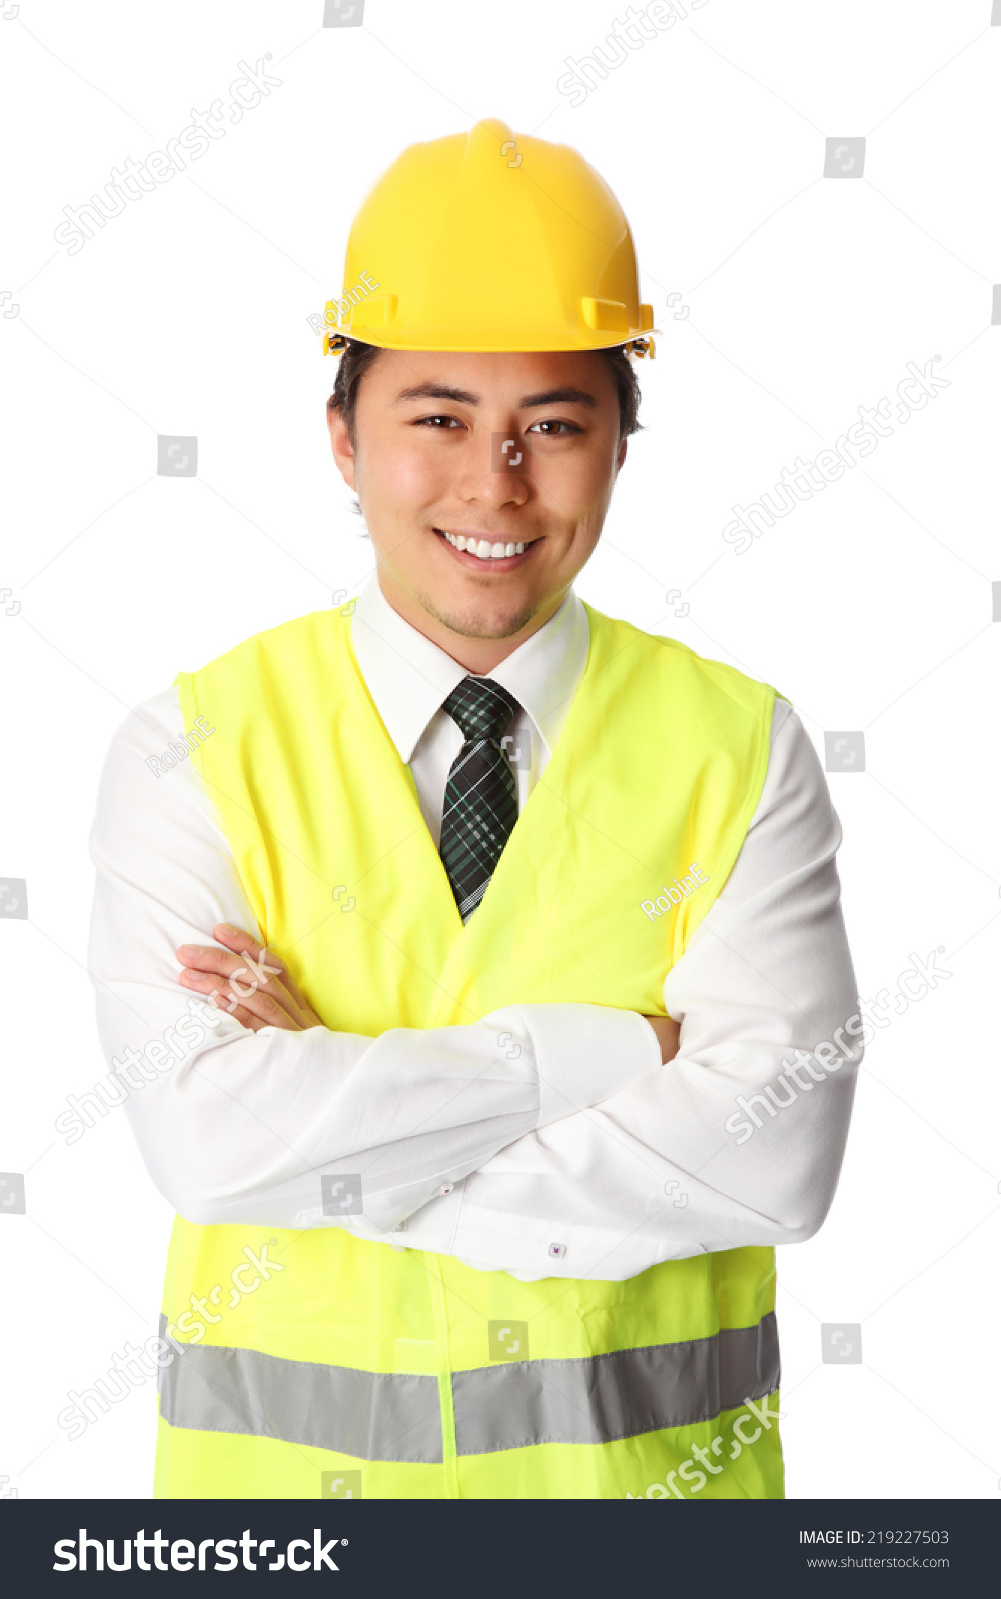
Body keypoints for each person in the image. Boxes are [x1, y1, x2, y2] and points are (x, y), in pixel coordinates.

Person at [87, 117, 860, 1500]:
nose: (493, 485)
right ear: (341, 437)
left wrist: (337, 1089)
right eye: (437, 419)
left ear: (622, 442)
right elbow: (209, 1144)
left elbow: (771, 1163)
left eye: (551, 426)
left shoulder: (738, 746)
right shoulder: (190, 747)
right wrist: (602, 1062)